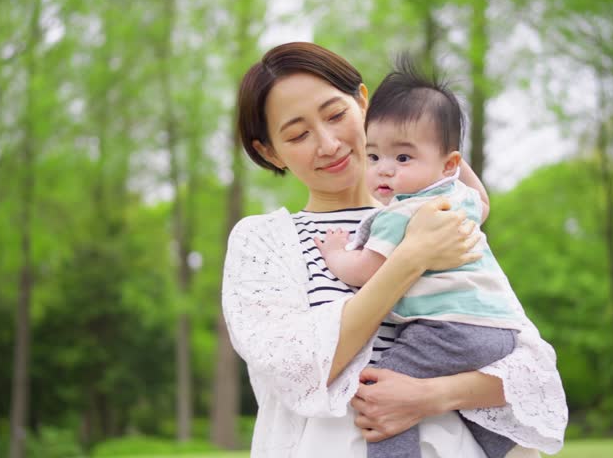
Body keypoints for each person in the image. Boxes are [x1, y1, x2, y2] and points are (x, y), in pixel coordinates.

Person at [222, 41, 567, 458]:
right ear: (269, 151)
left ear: (362, 102)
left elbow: (528, 368)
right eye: (298, 134)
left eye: (336, 115)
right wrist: (410, 258)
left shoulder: (437, 214)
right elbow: (297, 371)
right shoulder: (264, 240)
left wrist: (429, 395)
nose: (328, 143)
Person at [315, 58, 530, 458]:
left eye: (403, 158)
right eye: (374, 156)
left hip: (447, 330)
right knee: (473, 405)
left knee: (383, 393)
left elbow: (368, 272)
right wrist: (448, 167)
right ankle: (513, 450)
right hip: (499, 330)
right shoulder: (458, 199)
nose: (384, 172)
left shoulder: (399, 214)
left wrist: (335, 254)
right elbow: (484, 200)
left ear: (445, 163)